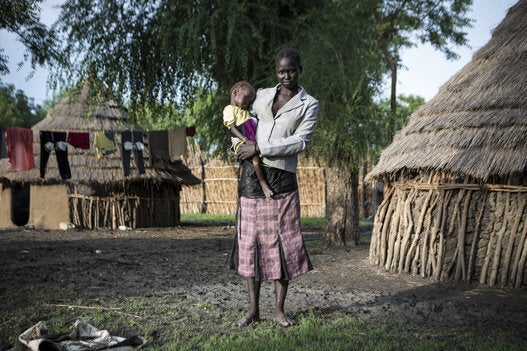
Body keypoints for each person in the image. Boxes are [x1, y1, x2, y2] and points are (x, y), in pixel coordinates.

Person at [232, 48, 319, 327]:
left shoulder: (309, 104)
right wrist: (240, 144)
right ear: (276, 72)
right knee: (250, 244)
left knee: (285, 243)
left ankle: (279, 310)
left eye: (291, 70)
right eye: (281, 71)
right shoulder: (263, 95)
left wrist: (260, 146)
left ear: (299, 69)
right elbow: (242, 119)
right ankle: (253, 310)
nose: (286, 76)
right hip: (251, 178)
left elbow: (300, 142)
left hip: (282, 179)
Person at [223, 81, 273, 198]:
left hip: (250, 135)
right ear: (236, 92)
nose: (246, 103)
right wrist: (245, 140)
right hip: (240, 140)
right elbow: (232, 128)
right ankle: (263, 183)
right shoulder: (229, 109)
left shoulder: (244, 110)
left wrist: (260, 93)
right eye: (245, 99)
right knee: (255, 159)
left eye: (249, 101)